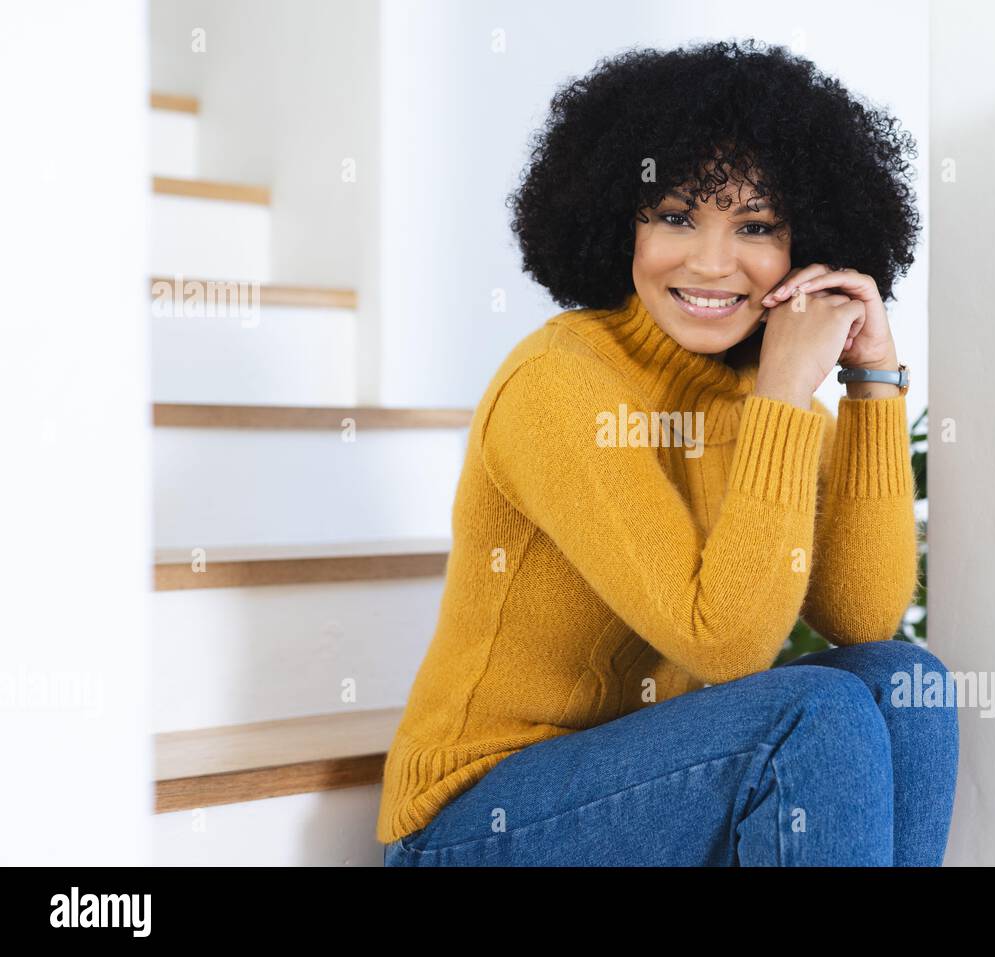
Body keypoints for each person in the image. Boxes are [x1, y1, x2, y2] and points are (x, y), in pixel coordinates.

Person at [378, 38, 957, 866]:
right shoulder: (560, 383)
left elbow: (861, 617)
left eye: (756, 226)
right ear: (623, 221)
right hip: (476, 819)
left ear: (807, 251)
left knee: (908, 683)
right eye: (677, 216)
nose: (712, 262)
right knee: (811, 714)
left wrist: (870, 380)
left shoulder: (762, 403)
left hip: (653, 787)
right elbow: (724, 642)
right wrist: (788, 391)